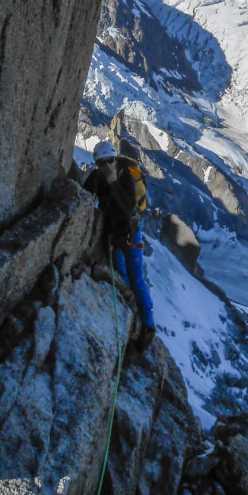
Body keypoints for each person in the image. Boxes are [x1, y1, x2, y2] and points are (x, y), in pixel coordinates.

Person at [83, 139, 156, 351]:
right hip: (114, 236)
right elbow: (84, 193)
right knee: (122, 276)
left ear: (115, 159)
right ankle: (129, 315)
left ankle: (148, 328)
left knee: (136, 279)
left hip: (131, 236)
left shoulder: (124, 177)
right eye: (102, 163)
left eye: (110, 161)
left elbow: (129, 208)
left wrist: (114, 181)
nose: (107, 166)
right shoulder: (97, 177)